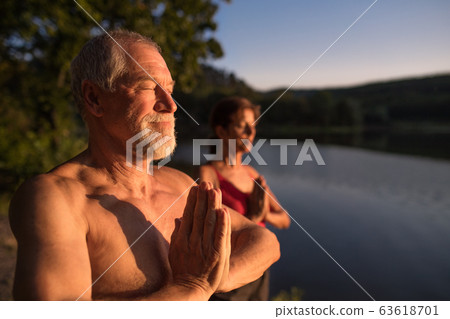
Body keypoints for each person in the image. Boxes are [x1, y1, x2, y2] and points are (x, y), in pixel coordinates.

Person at [8, 30, 280, 301]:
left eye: (170, 90)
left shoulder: (180, 183)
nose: (171, 105)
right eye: (147, 86)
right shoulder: (56, 198)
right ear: (94, 98)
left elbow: (264, 240)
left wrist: (217, 278)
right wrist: (191, 287)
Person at [199, 97, 290, 301]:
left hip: (258, 269)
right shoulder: (208, 174)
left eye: (253, 126)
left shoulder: (251, 173)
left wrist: (264, 214)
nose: (251, 133)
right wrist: (252, 217)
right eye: (242, 126)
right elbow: (208, 232)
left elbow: (285, 220)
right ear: (221, 131)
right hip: (228, 275)